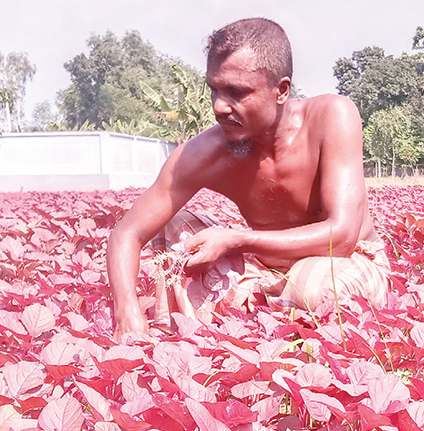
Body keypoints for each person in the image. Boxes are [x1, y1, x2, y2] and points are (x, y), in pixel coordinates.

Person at [106, 17, 390, 339]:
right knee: (174, 226)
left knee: (312, 289)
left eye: (236, 92)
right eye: (214, 89)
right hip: (264, 270)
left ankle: (266, 322)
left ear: (281, 91)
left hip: (347, 261)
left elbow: (342, 237)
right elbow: (126, 234)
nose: (219, 106)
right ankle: (236, 326)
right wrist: (126, 309)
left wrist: (235, 239)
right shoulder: (206, 152)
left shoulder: (332, 117)